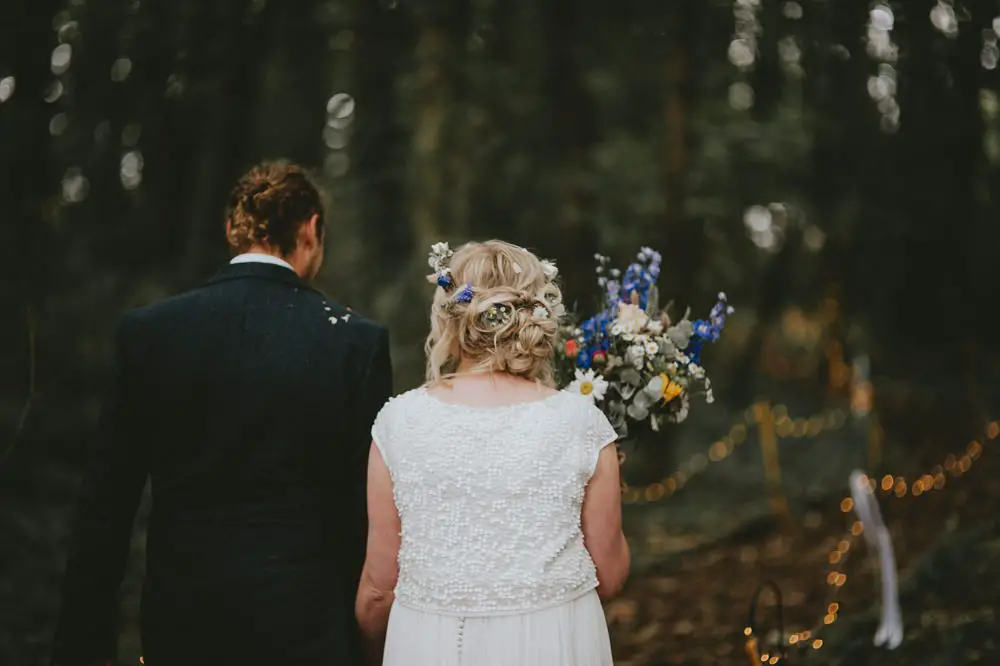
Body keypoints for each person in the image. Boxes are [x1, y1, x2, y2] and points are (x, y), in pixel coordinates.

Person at [51, 161, 392, 666]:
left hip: (184, 621)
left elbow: (106, 505)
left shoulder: (151, 333)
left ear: (232, 229)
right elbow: (360, 514)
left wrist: (82, 647)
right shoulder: (354, 342)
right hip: (307, 626)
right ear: (312, 229)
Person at [355, 240, 629, 666]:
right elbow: (610, 576)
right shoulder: (583, 423)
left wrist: (373, 643)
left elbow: (377, 588)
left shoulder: (398, 423)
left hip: (430, 644)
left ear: (449, 317)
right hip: (553, 641)